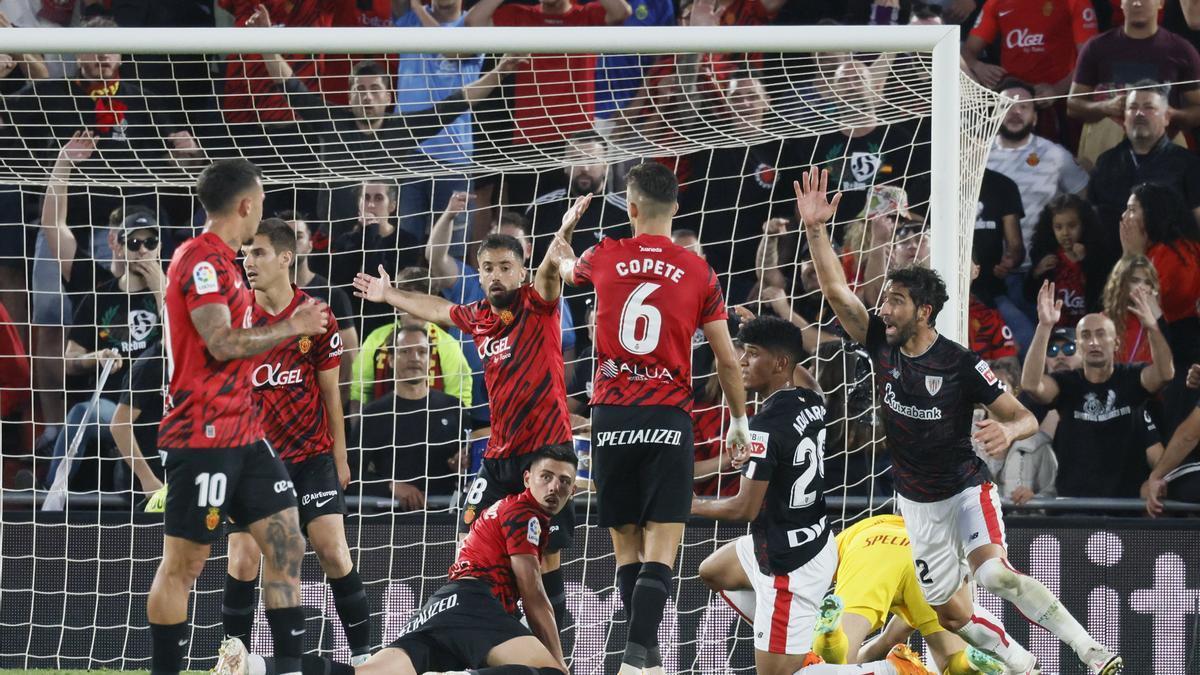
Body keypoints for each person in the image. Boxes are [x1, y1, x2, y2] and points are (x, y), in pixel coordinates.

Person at [795, 166, 1121, 675]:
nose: (884, 310)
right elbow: (838, 293)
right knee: (953, 613)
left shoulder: (962, 364)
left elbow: (1023, 417)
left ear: (924, 311)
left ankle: (1090, 650)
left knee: (993, 574)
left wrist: (1006, 430)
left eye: (896, 302)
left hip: (966, 488)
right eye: (885, 301)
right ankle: (1022, 663)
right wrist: (815, 228)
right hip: (916, 504)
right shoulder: (881, 345)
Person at [352, 198, 589, 633]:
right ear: (477, 273)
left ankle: (559, 647)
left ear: (520, 271)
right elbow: (437, 309)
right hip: (499, 459)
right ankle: (477, 633)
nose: (495, 275)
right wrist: (388, 295)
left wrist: (565, 230)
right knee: (467, 543)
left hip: (546, 458)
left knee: (544, 567)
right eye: (487, 267)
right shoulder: (478, 316)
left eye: (504, 266)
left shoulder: (537, 305)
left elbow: (552, 270)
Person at [556, 161, 750, 674]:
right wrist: (738, 421)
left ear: (632, 208)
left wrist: (565, 235)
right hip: (669, 417)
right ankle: (639, 658)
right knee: (664, 542)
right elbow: (728, 359)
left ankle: (643, 656)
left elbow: (561, 268)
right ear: (677, 209)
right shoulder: (699, 270)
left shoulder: (604, 255)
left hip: (612, 416)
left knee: (626, 545)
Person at [148, 158, 328, 675]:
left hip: (245, 432)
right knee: (185, 565)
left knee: (285, 542)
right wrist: (292, 325)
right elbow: (221, 343)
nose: (263, 212)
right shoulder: (199, 261)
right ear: (246, 205)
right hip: (202, 434)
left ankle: (288, 668)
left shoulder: (227, 262)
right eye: (263, 202)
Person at [213, 445, 579, 675]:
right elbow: (533, 593)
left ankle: (252, 665)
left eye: (564, 482)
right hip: (475, 603)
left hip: (442, 605)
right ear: (527, 477)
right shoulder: (525, 514)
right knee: (548, 673)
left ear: (574, 489)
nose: (554, 488)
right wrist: (561, 662)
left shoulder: (505, 509)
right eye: (547, 477)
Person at [220, 218, 372, 665]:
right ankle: (236, 660)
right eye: (245, 252)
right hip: (254, 462)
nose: (248, 261)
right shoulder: (236, 318)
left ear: (287, 257)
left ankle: (366, 659)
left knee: (332, 549)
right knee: (243, 557)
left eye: (259, 252)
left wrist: (340, 457)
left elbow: (332, 395)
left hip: (310, 456)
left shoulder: (318, 317)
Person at [690, 316, 843, 675]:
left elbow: (744, 508)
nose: (741, 360)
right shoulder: (811, 400)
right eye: (743, 351)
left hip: (787, 565)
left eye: (752, 353)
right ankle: (791, 634)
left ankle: (890, 670)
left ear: (779, 364)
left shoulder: (763, 429)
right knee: (712, 571)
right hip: (811, 538)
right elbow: (808, 379)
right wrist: (771, 329)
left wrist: (688, 505)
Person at [40, 132, 165, 490]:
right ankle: (52, 500)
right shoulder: (97, 291)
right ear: (117, 244)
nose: (142, 250)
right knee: (83, 414)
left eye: (150, 242)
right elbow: (54, 227)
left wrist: (160, 289)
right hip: (112, 406)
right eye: (133, 242)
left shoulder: (177, 289)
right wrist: (96, 356)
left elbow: (182, 350)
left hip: (163, 410)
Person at [1022, 283, 1173, 499]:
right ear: (1080, 346)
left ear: (1116, 343)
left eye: (1101, 334)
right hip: (1074, 507)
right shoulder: (1066, 383)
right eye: (1086, 336)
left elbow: (1165, 374)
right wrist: (1044, 327)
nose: (1093, 342)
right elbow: (1031, 385)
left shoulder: (1132, 378)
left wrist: (1152, 327)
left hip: (1124, 507)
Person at [808, 514, 1006, 675]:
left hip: (869, 546)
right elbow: (887, 641)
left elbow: (821, 564)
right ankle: (968, 662)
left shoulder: (858, 530)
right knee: (950, 663)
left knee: (831, 664)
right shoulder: (923, 534)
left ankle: (830, 635)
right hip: (927, 558)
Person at [1068, 0, 1200, 164]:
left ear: (1161, 3)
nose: (1137, 3)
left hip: (1164, 149)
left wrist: (1171, 113)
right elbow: (1073, 105)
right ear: (1121, 4)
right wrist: (1105, 107)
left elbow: (1197, 108)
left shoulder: (1181, 49)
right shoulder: (1096, 47)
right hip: (1107, 149)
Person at [354, 323, 468, 508]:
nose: (414, 358)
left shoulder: (454, 408)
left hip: (447, 516)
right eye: (405, 351)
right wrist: (391, 487)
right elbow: (350, 474)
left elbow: (473, 464)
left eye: (422, 352)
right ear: (390, 359)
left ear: (429, 359)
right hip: (390, 518)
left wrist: (464, 465)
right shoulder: (373, 414)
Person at [1087, 83, 1200, 255]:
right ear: (1124, 117)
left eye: (1149, 107)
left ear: (1167, 117)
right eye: (1132, 108)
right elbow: (1091, 222)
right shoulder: (1105, 163)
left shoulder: (1189, 165)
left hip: (1168, 270)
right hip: (1111, 270)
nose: (1139, 114)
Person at [987, 81, 1090, 263]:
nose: (1016, 112)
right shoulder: (975, 156)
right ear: (995, 114)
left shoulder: (1056, 155)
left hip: (1043, 267)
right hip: (988, 270)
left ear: (1035, 118)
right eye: (1007, 106)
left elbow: (1085, 202)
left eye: (1024, 107)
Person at [281, 211, 360, 400]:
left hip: (319, 403)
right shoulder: (264, 296)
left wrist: (335, 404)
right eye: (285, 238)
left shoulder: (333, 295)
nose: (291, 243)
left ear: (310, 245)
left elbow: (350, 357)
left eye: (298, 236)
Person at [963, 0, 1096, 96]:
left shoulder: (1075, 2)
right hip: (1012, 97)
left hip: (1059, 100)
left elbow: (1091, 60)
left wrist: (1057, 90)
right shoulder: (995, 2)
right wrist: (978, 66)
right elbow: (967, 52)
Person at [1023, 194, 1106, 329]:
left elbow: (1102, 293)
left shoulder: (1097, 254)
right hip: (1055, 332)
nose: (1065, 233)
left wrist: (1087, 262)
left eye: (1072, 226)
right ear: (1050, 228)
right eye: (1058, 227)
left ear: (1084, 225)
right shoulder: (1046, 257)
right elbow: (1029, 295)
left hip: (1089, 328)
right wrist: (1036, 273)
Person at [1100, 255, 1164, 364]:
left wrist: (1157, 317)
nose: (1141, 287)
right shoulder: (1103, 320)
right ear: (1121, 283)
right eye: (1135, 280)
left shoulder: (1159, 321)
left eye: (1147, 283)